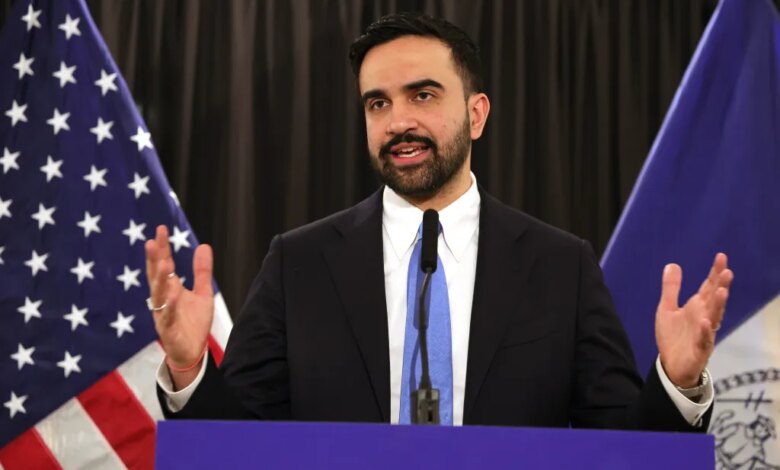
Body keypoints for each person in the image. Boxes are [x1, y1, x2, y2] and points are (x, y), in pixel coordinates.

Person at [146, 13, 733, 429]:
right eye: (378, 103)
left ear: (476, 114)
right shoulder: (298, 263)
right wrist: (188, 367)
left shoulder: (561, 266)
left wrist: (676, 385)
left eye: (423, 95)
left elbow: (621, 450)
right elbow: (235, 445)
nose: (398, 120)